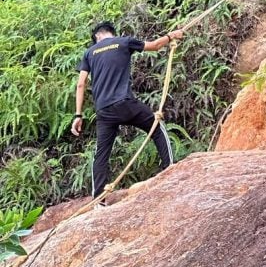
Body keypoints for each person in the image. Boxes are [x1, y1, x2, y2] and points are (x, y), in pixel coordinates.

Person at [72, 21, 184, 202]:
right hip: (125, 103)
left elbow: (81, 84)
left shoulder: (89, 53)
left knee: (101, 153)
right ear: (110, 33)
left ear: (97, 36)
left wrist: (78, 115)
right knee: (157, 127)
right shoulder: (123, 42)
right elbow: (155, 46)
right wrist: (171, 36)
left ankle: (98, 200)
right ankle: (169, 169)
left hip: (104, 111)